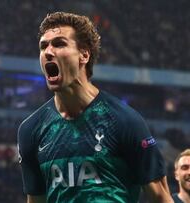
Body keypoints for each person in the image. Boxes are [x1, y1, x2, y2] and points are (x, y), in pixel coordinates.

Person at [17, 11, 173, 203]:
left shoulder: (124, 121)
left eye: (59, 43)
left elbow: (161, 197)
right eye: (43, 46)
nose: (48, 51)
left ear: (84, 55)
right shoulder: (31, 130)